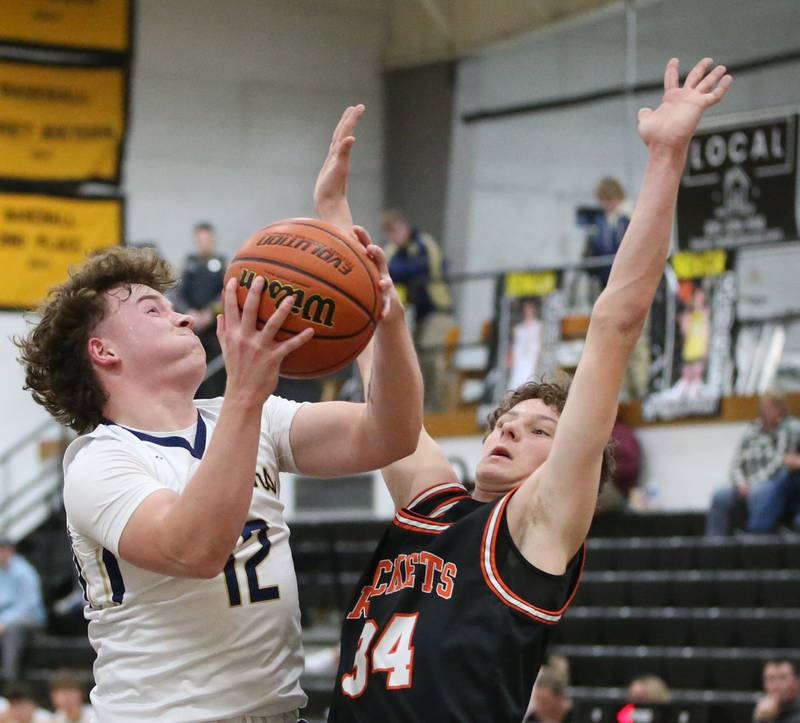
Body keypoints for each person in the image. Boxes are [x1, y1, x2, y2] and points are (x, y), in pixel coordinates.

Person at [320, 58, 732, 721]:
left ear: (576, 464)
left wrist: (666, 158)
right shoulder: (435, 506)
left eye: (542, 429)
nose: (512, 427)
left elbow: (615, 321)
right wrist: (335, 220)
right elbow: (378, 374)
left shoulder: (536, 527)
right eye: (509, 419)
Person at [15, 105, 423, 722]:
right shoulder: (98, 462)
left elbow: (389, 433)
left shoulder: (245, 416)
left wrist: (385, 317)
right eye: (153, 310)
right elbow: (194, 548)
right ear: (104, 351)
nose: (182, 315)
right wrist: (245, 394)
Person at [381, 209, 453, 410]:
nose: (394, 236)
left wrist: (397, 271)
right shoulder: (392, 250)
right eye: (390, 232)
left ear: (404, 227)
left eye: (396, 230)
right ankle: (416, 408)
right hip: (411, 314)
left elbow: (421, 268)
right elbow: (384, 271)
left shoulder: (425, 243)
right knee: (410, 360)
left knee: (431, 356)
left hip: (437, 310)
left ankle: (438, 408)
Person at [706, 392, 797, 536]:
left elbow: (781, 461)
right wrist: (741, 482)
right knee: (720, 496)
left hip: (770, 482)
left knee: (759, 492)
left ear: (780, 410)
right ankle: (714, 547)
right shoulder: (751, 431)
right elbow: (736, 463)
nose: (766, 412)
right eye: (764, 408)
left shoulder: (788, 430)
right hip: (744, 484)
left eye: (771, 408)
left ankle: (755, 540)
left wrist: (753, 483)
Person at [172, 222, 227, 398]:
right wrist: (190, 312)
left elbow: (226, 291)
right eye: (200, 239)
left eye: (207, 239)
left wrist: (210, 312)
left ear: (213, 240)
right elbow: (176, 293)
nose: (204, 243)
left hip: (214, 329)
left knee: (215, 375)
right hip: (191, 326)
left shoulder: (222, 264)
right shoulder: (188, 264)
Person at [0, 538, 46, 683]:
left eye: (2, 549)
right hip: (3, 618)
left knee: (12, 629)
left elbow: (29, 605)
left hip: (29, 619)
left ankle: (10, 679)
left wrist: (4, 622)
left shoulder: (24, 571)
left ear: (10, 550)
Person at [583, 176, 633, 289]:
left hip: (626, 278)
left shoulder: (628, 218)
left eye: (604, 200)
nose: (603, 205)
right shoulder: (605, 221)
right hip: (608, 279)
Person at [508, 300, 544, 390]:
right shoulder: (518, 328)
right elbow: (515, 343)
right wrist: (511, 356)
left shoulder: (538, 326)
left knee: (530, 376)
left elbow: (540, 341)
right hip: (520, 355)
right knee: (517, 377)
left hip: (531, 355)